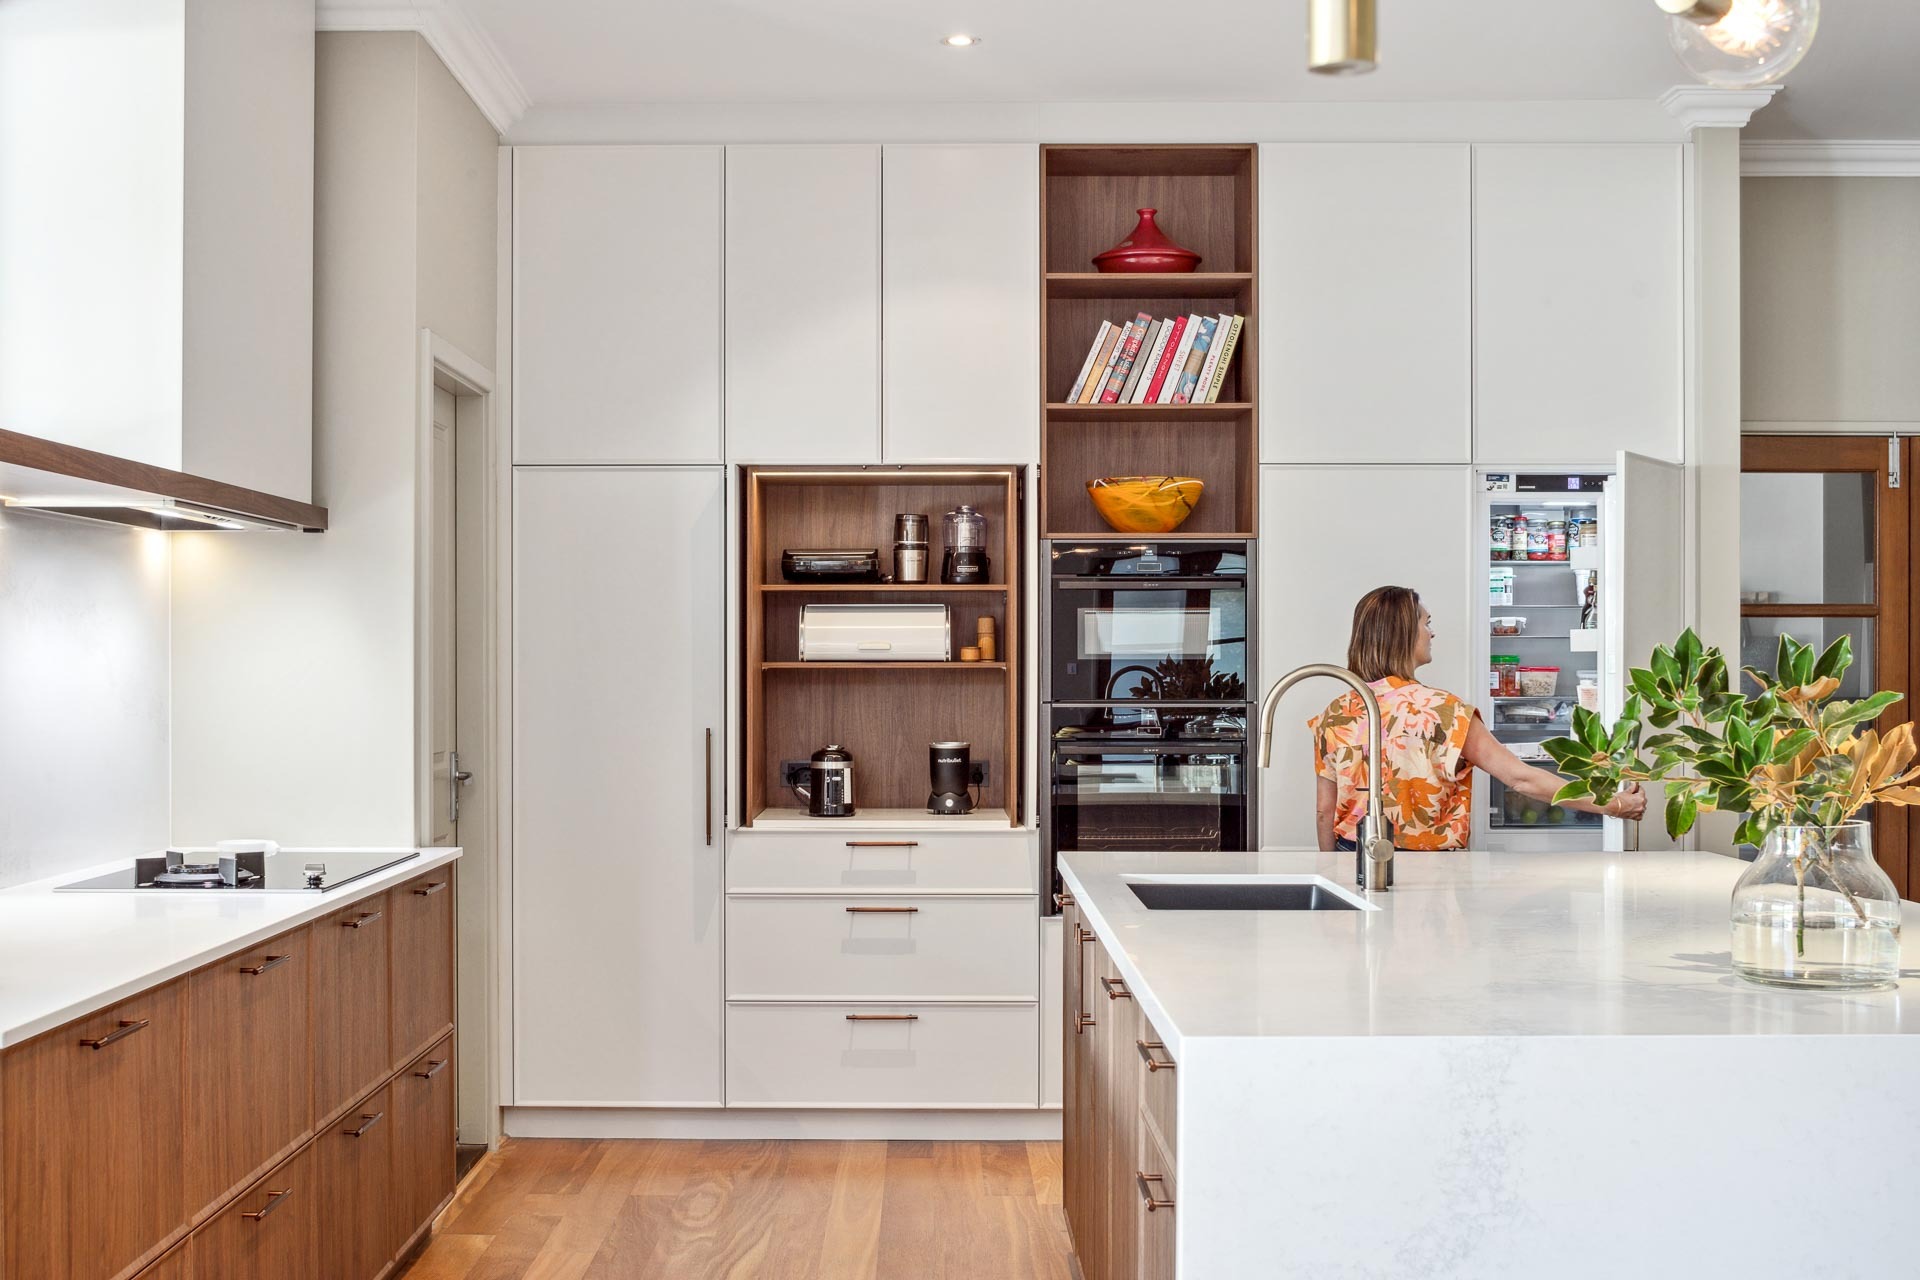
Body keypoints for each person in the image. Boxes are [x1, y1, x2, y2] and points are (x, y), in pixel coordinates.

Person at [1308, 585, 1646, 852]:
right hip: (1427, 866)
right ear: (1403, 634)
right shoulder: (1443, 710)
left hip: (1351, 855)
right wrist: (1613, 805)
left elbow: (1326, 811)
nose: (1432, 633)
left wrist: (1331, 871)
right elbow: (1522, 779)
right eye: (1426, 623)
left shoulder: (1335, 714)